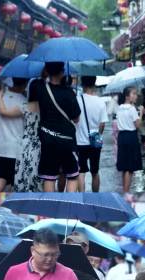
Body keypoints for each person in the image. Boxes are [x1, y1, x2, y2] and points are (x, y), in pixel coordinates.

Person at [27, 62, 82, 192]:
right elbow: (76, 118)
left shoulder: (38, 87)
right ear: (62, 72)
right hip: (67, 140)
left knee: (49, 177)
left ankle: (49, 210)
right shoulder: (69, 92)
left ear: (46, 70)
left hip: (47, 139)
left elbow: (32, 107)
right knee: (72, 176)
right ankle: (69, 207)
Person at [0, 78, 41, 192]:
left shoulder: (25, 106)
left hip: (26, 144)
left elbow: (3, 112)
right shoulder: (47, 107)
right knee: (38, 176)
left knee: (23, 174)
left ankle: (17, 203)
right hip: (40, 144)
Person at [0, 78, 28, 192]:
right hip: (17, 147)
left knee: (2, 175)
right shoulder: (24, 101)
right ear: (25, 84)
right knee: (15, 179)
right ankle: (10, 207)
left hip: (1, 146)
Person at [75, 76, 109, 192]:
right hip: (95, 139)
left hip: (79, 141)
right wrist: (97, 135)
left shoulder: (76, 99)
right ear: (94, 84)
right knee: (95, 172)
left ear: (82, 85)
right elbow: (102, 124)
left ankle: (81, 198)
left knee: (81, 172)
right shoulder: (100, 102)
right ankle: (95, 197)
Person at [116, 86, 145, 193]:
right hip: (131, 137)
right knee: (129, 168)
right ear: (127, 96)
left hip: (122, 137)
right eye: (133, 93)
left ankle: (125, 190)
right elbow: (138, 125)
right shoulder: (132, 109)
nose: (136, 96)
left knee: (124, 167)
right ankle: (126, 193)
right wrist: (141, 113)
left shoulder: (119, 108)